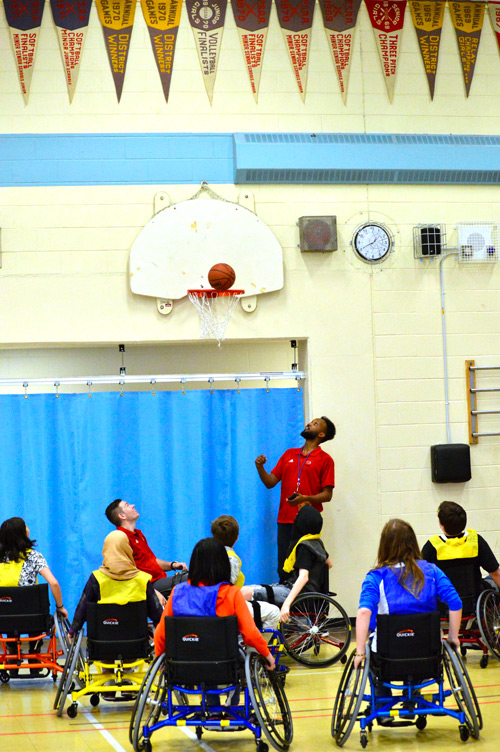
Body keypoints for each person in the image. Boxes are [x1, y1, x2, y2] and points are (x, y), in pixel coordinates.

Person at [354, 519, 462, 672]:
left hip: (388, 654)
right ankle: (414, 690)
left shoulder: (375, 577)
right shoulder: (432, 571)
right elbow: (455, 602)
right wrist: (453, 636)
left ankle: (381, 693)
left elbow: (364, 611)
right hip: (427, 652)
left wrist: (360, 652)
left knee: (373, 657)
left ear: (384, 545)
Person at [154, 537, 275, 674]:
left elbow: (161, 633)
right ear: (223, 563)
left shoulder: (178, 592)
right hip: (223, 666)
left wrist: (160, 657)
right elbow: (250, 633)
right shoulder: (231, 593)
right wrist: (267, 654)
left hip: (184, 665)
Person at [255, 416, 335, 580]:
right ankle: (284, 604)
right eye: (311, 422)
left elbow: (327, 495)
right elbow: (270, 482)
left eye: (315, 424)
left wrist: (304, 498)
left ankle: (306, 604)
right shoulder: (289, 454)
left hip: (308, 522)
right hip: (285, 520)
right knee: (284, 568)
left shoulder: (325, 460)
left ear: (321, 434)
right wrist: (260, 467)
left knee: (305, 568)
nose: (309, 424)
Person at [0, 516, 68, 677]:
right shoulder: (35, 556)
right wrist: (60, 607)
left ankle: (11, 652)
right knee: (34, 614)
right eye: (26, 526)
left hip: (3, 619)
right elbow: (54, 583)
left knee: (9, 608)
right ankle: (35, 652)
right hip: (33, 619)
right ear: (23, 533)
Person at [241, 505, 332, 623]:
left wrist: (286, 604)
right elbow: (329, 564)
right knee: (247, 589)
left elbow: (303, 577)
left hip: (297, 594)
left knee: (244, 593)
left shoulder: (305, 547)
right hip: (304, 592)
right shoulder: (317, 542)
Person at [70, 530, 163, 636]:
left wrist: (73, 630)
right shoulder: (143, 579)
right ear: (128, 549)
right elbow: (157, 615)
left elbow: (83, 608)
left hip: (103, 643)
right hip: (136, 644)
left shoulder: (96, 578)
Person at [105, 499, 187, 598]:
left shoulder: (138, 535)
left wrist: (173, 565)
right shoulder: (120, 538)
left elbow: (151, 561)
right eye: (127, 505)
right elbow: (125, 573)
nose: (133, 505)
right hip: (148, 585)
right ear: (122, 516)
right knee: (191, 580)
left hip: (159, 580)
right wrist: (151, 591)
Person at [211, 514, 281, 629]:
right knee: (274, 612)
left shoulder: (207, 553)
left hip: (212, 603)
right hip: (225, 608)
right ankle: (255, 646)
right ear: (237, 538)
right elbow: (227, 589)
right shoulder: (231, 559)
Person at [421, 500, 500, 602]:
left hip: (445, 604)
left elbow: (420, 578)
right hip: (474, 602)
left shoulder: (432, 546)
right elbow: (495, 573)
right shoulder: (475, 540)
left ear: (442, 524)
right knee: (491, 578)